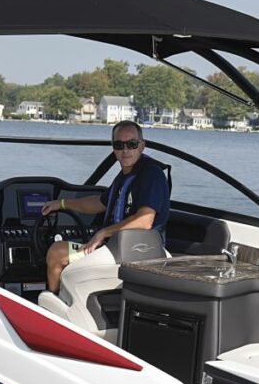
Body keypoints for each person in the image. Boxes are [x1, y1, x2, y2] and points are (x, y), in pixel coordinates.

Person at [41, 120, 170, 295]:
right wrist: (62, 204)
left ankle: (53, 309)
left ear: (142, 146)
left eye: (131, 144)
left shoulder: (151, 175)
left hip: (138, 253)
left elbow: (145, 220)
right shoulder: (124, 176)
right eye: (119, 145)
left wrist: (103, 233)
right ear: (113, 148)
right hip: (118, 248)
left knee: (57, 253)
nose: (125, 150)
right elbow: (100, 203)